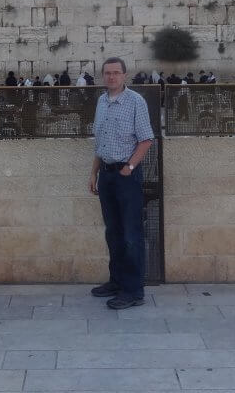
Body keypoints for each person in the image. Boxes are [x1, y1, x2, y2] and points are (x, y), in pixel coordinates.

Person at [87, 57, 155, 310]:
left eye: (116, 73)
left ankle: (134, 290)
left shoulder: (136, 102)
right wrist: (93, 173)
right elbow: (100, 142)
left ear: (125, 76)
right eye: (107, 73)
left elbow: (146, 139)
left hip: (126, 176)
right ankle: (116, 282)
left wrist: (129, 168)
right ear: (103, 76)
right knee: (113, 232)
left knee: (131, 234)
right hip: (106, 174)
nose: (112, 77)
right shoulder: (102, 102)